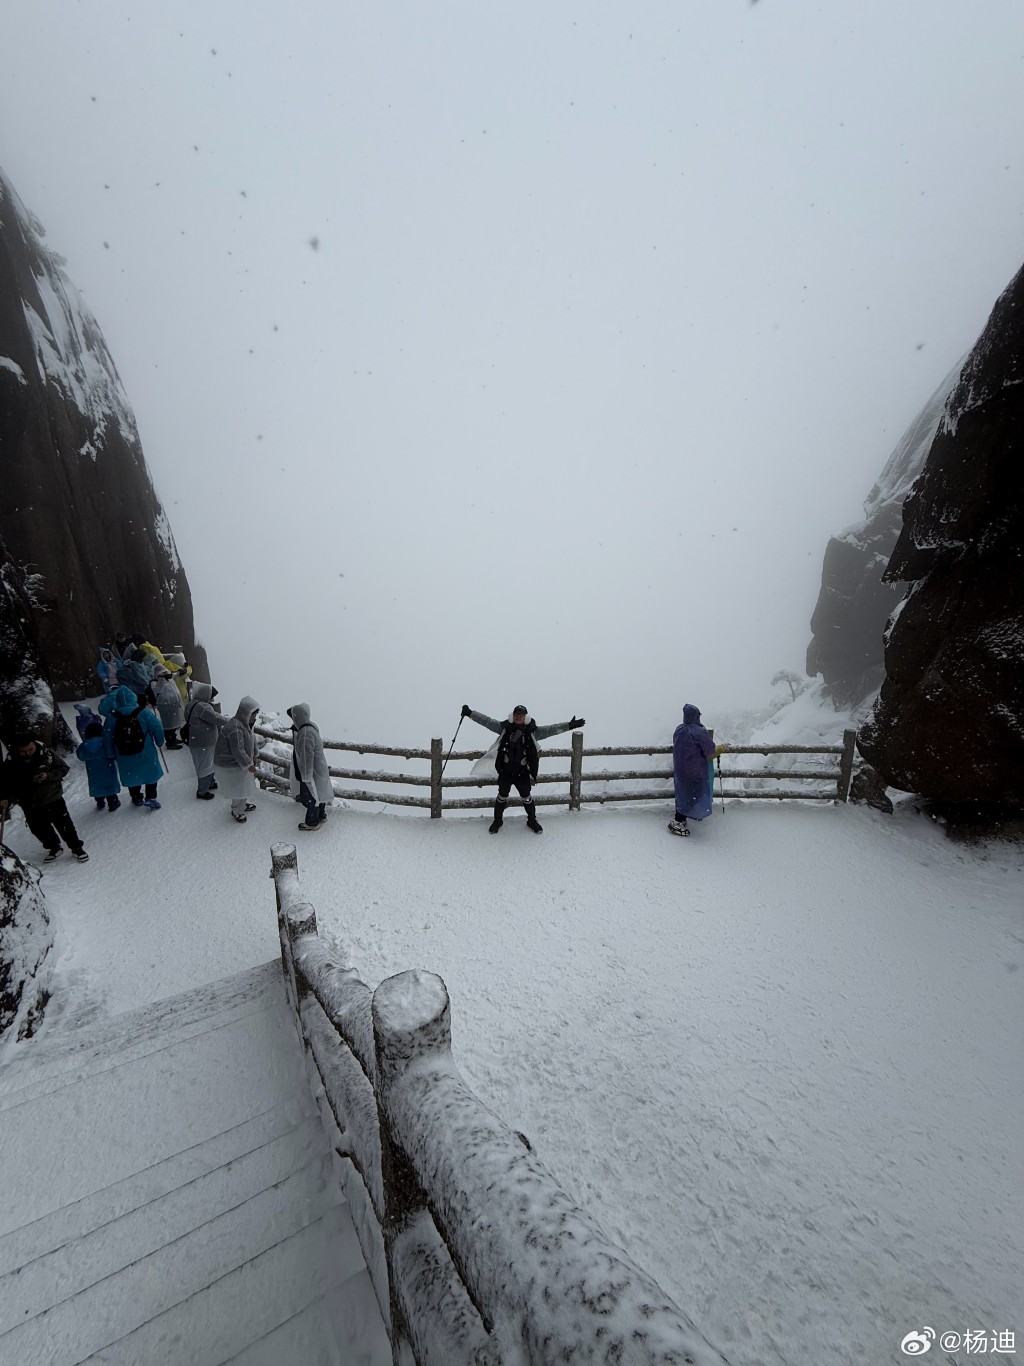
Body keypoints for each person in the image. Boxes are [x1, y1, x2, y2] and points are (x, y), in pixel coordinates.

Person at [462, 703, 585, 834]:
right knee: (502, 796)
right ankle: (498, 821)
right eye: (516, 714)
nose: (518, 716)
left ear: (526, 717)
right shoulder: (504, 728)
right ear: (512, 716)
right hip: (506, 771)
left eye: (521, 714)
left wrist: (569, 725)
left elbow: (551, 729)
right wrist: (470, 713)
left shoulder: (533, 732)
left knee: (527, 797)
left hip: (522, 772)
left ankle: (532, 821)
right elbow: (487, 721)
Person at [0, 734, 89, 862]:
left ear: (34, 744)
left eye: (30, 750)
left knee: (64, 825)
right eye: (23, 751)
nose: (27, 753)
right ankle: (54, 847)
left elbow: (63, 768)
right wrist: (4, 797)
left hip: (52, 797)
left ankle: (76, 847)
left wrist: (48, 775)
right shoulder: (11, 761)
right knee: (38, 828)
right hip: (28, 802)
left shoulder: (47, 754)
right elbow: (5, 781)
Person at [104, 684, 165, 808]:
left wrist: (110, 753)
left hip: (123, 753)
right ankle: (151, 797)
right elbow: (157, 727)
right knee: (150, 774)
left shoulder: (112, 717)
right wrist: (159, 741)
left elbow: (107, 737)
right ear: (133, 698)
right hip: (145, 750)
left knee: (131, 774)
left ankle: (136, 797)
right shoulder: (143, 712)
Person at [669, 703, 725, 837]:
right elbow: (710, 752)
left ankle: (683, 817)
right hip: (695, 770)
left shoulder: (679, 729)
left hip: (681, 770)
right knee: (694, 794)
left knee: (684, 794)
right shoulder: (699, 732)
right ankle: (678, 821)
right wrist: (723, 747)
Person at [287, 703, 333, 831]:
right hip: (319, 767)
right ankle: (321, 815)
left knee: (311, 796)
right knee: (320, 791)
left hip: (311, 770)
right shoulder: (311, 727)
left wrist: (306, 777)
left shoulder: (305, 733)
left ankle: (312, 822)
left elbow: (307, 757)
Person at [214, 695, 260, 822]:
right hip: (230, 764)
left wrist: (254, 755)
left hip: (239, 763)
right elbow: (237, 749)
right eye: (253, 714)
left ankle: (242, 804)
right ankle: (237, 811)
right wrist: (249, 764)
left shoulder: (245, 724)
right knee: (237, 788)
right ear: (246, 713)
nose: (254, 718)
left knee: (243, 786)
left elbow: (252, 740)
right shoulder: (235, 727)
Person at [184, 682, 225, 798]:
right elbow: (216, 719)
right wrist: (232, 721)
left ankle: (210, 783)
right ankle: (202, 791)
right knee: (205, 765)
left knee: (207, 763)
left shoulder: (191, 704)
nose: (212, 699)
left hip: (196, 740)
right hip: (203, 741)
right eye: (211, 696)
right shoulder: (203, 707)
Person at [76, 722, 121, 811]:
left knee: (96, 784)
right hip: (108, 768)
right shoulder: (105, 742)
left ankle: (100, 801)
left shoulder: (84, 746)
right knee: (109, 784)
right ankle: (113, 802)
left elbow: (80, 756)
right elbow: (113, 753)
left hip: (93, 771)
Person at [152, 667, 186, 749]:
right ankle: (170, 743)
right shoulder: (154, 683)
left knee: (174, 724)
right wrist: (161, 680)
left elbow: (175, 676)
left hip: (173, 705)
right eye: (163, 673)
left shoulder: (169, 679)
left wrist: (180, 672)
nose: (165, 674)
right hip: (165, 706)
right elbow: (157, 691)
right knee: (168, 726)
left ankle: (174, 739)